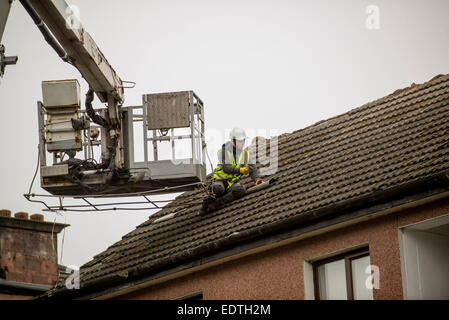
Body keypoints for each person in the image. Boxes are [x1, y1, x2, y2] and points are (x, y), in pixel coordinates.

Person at [201, 127, 263, 214]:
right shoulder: (224, 151)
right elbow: (226, 168)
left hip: (231, 185)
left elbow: (253, 168)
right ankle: (206, 203)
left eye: (243, 141)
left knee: (241, 190)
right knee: (218, 189)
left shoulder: (245, 154)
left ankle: (218, 202)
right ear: (233, 141)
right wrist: (240, 170)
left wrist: (257, 180)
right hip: (220, 182)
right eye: (239, 141)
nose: (242, 143)